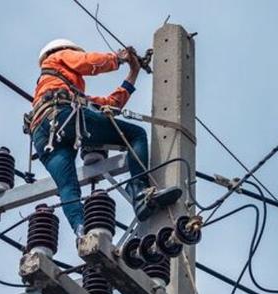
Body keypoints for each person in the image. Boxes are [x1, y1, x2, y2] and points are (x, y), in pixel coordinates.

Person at [26, 38, 181, 236]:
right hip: (62, 115)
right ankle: (140, 193)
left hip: (41, 133)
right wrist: (118, 58)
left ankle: (81, 231)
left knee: (67, 186)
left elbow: (110, 105)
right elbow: (87, 62)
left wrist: (133, 73)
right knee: (136, 135)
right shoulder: (58, 56)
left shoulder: (60, 92)